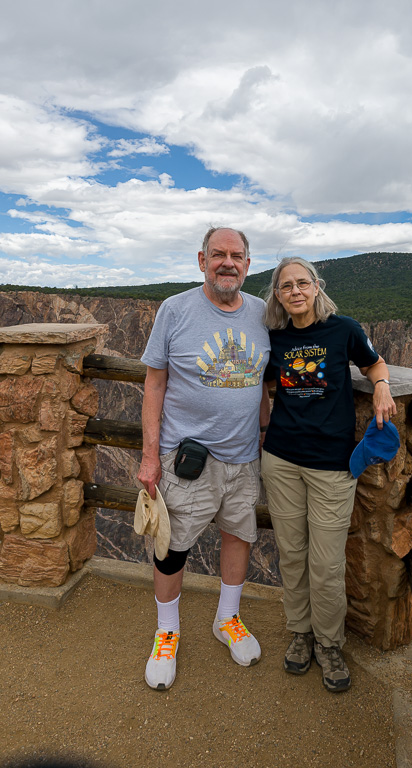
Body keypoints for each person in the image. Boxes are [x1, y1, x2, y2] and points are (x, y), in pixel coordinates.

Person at [137, 226, 272, 691]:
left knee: (238, 535)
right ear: (201, 260)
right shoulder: (174, 310)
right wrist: (150, 456)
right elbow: (154, 384)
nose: (227, 263)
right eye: (218, 254)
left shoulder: (261, 313)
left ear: (248, 265)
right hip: (187, 460)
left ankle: (227, 619)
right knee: (173, 547)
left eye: (236, 255)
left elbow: (266, 383)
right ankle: (167, 631)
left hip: (244, 457)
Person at [259, 256, 396, 692]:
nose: (295, 291)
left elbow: (374, 364)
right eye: (286, 286)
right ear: (277, 295)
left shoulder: (344, 329)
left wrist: (382, 386)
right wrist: (263, 427)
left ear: (317, 286)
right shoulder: (274, 336)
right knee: (293, 553)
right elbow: (262, 383)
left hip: (332, 466)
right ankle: (300, 633)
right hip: (281, 459)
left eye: (303, 283)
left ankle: (329, 643)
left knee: (326, 561)